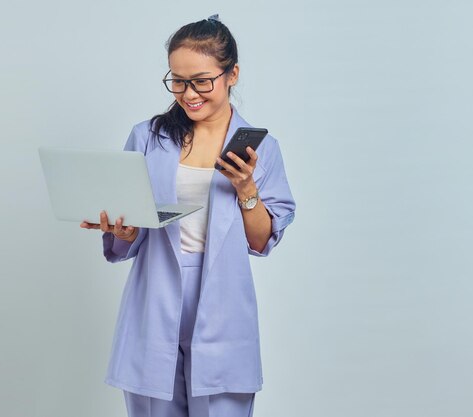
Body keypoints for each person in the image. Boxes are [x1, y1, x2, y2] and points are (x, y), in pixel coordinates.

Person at [80, 14, 295, 417]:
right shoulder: (148, 137)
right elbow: (130, 233)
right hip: (155, 294)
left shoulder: (260, 149)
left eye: (201, 81)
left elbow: (261, 241)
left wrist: (247, 189)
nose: (188, 93)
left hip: (223, 302)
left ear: (232, 74)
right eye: (177, 81)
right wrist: (123, 230)